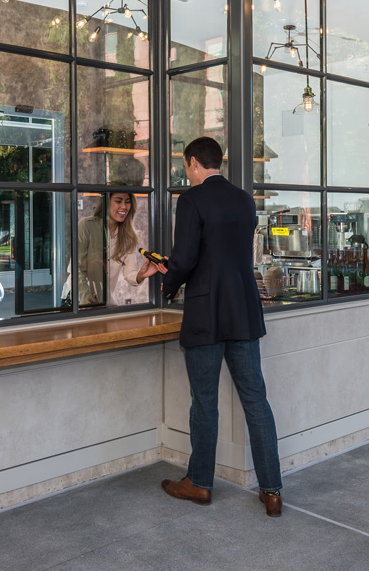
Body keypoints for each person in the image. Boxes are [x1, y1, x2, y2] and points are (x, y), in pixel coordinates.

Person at [153, 136, 283, 517]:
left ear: (193, 163)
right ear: (219, 162)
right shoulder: (244, 199)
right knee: (256, 400)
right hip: (243, 310)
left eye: (185, 166)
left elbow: (186, 258)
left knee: (204, 404)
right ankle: (272, 490)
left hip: (206, 314)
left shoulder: (191, 200)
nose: (185, 172)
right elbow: (228, 254)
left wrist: (168, 280)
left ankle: (199, 484)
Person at [63, 191, 157, 307]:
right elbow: (77, 269)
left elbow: (129, 273)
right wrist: (88, 300)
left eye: (127, 202)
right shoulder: (86, 226)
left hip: (105, 302)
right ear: (106, 203)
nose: (124, 206)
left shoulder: (129, 237)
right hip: (77, 300)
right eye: (118, 201)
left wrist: (141, 275)